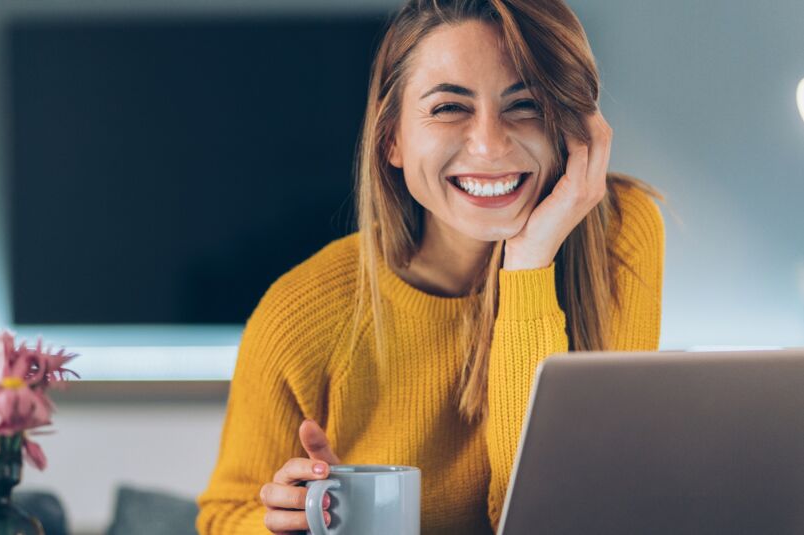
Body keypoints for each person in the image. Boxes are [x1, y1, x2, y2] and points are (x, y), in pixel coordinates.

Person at [197, 0, 663, 533]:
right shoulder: (301, 312)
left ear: (574, 128)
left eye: (527, 104)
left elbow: (554, 520)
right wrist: (290, 523)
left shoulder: (618, 236)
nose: (489, 145)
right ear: (391, 137)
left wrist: (530, 264)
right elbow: (223, 517)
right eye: (448, 108)